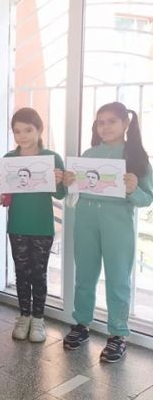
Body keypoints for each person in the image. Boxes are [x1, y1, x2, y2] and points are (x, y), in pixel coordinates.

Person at [62, 102, 152, 362]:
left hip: (118, 225)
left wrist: (133, 189)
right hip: (85, 221)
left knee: (118, 278)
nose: (105, 127)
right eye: (100, 122)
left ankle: (118, 334)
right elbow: (74, 193)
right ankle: (81, 324)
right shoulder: (88, 155)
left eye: (112, 121)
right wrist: (69, 183)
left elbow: (147, 199)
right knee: (85, 275)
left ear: (125, 123)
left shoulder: (136, 157)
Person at [0, 107, 65, 344]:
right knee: (21, 272)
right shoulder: (9, 159)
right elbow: (4, 197)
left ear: (39, 129)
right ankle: (24, 316)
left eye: (28, 130)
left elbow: (61, 194)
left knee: (39, 273)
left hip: (43, 225)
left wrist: (59, 180)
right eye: (17, 131)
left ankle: (38, 318)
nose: (22, 136)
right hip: (17, 224)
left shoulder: (52, 158)